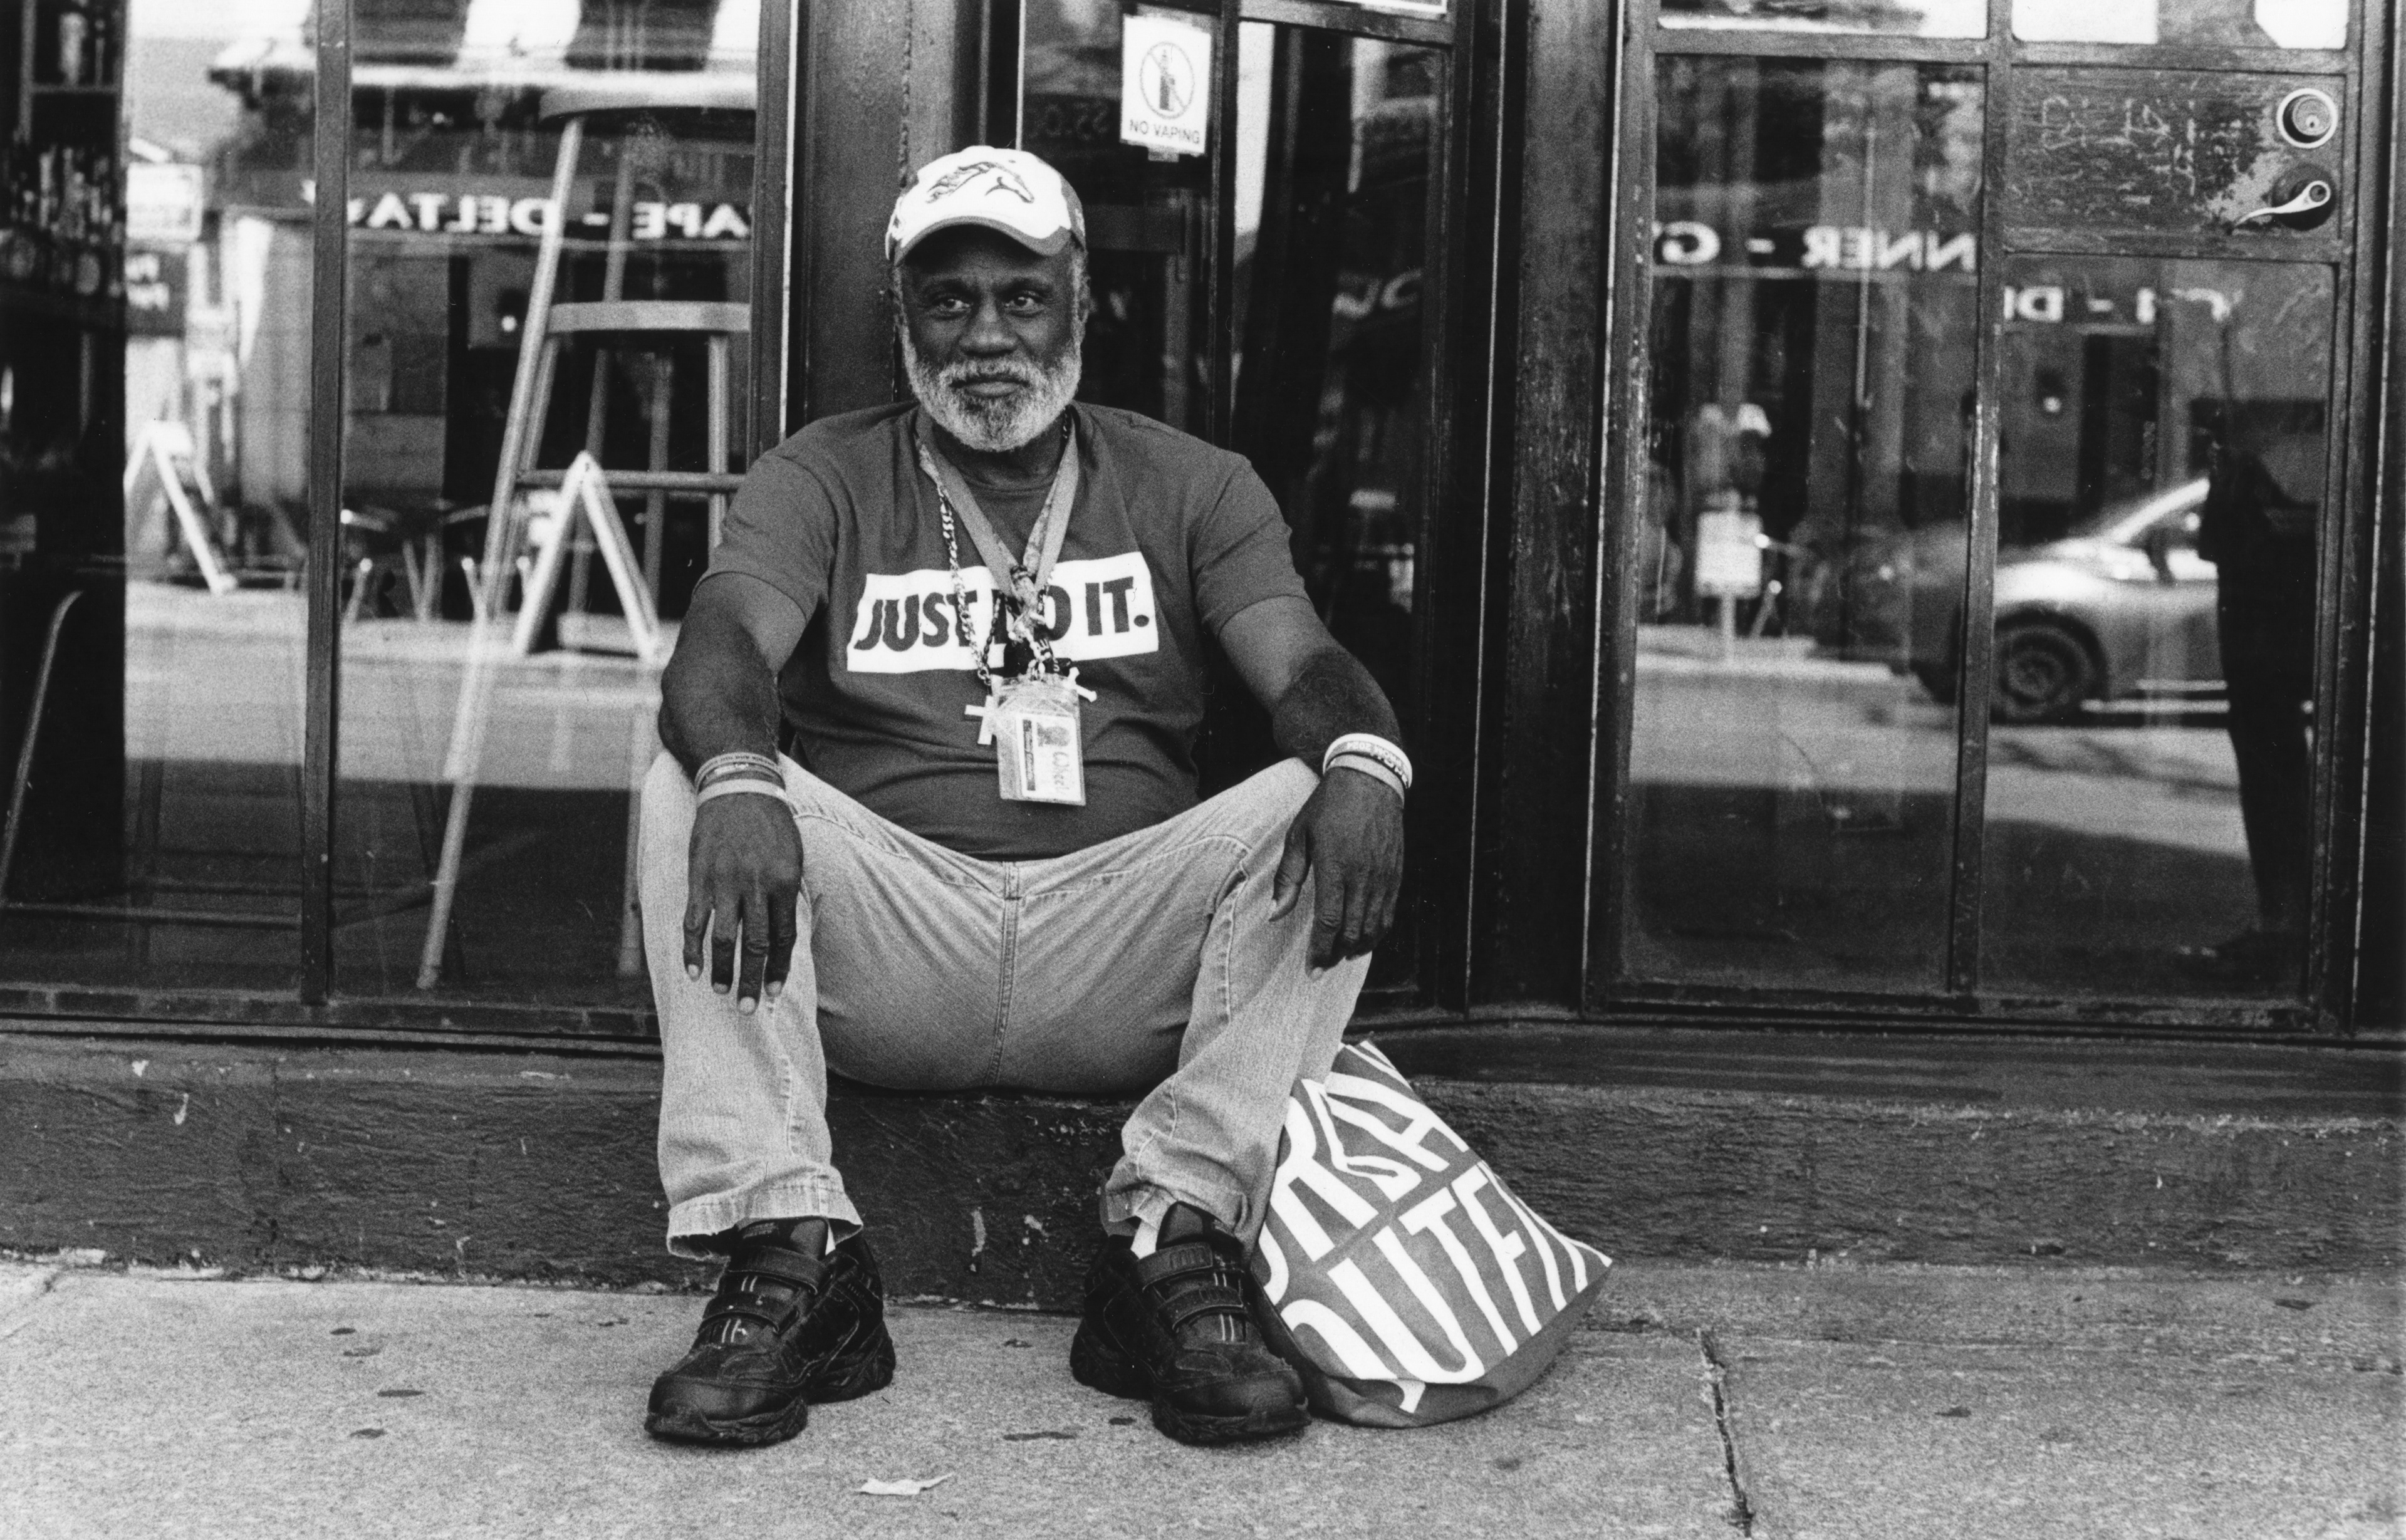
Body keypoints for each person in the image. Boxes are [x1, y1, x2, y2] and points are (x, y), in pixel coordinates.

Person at [634, 147, 1409, 1450]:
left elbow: (1308, 665)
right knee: (681, 777)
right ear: (904, 320)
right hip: (894, 937)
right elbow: (720, 641)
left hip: (1122, 944)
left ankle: (1171, 1231)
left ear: (1081, 304)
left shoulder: (1193, 481)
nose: (987, 335)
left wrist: (1367, 759)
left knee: (1323, 784)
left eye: (1022, 296)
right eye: (949, 301)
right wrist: (739, 773)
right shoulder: (821, 474)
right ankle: (791, 1239)